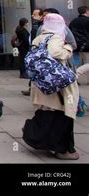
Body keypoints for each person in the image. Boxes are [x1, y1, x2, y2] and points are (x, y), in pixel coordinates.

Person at [23, 13, 80, 160]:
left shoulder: (39, 37)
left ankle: (44, 141)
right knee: (63, 115)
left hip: (43, 83)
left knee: (48, 114)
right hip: (58, 85)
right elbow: (54, 52)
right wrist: (67, 48)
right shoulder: (55, 37)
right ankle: (62, 149)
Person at [69, 6, 89, 85]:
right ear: (86, 11)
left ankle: (77, 79)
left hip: (77, 45)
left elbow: (70, 32)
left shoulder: (73, 21)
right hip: (87, 45)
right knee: (87, 63)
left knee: (78, 63)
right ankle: (75, 75)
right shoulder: (88, 20)